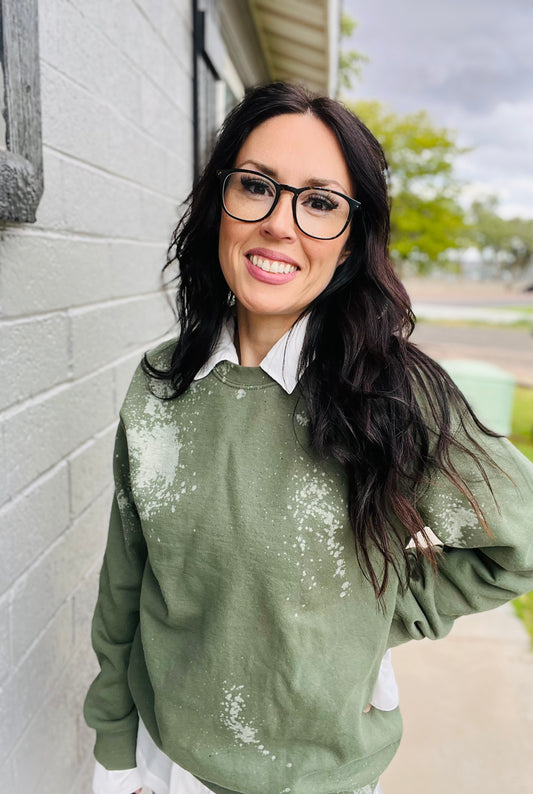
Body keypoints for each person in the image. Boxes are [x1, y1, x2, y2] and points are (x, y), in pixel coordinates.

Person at [84, 82, 533, 794]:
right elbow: (125, 582)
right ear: (219, 201)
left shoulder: (393, 395)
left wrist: (373, 617)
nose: (278, 224)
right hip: (165, 762)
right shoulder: (161, 386)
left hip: (322, 779)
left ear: (352, 238)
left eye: (319, 202)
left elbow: (518, 545)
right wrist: (115, 748)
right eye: (256, 186)